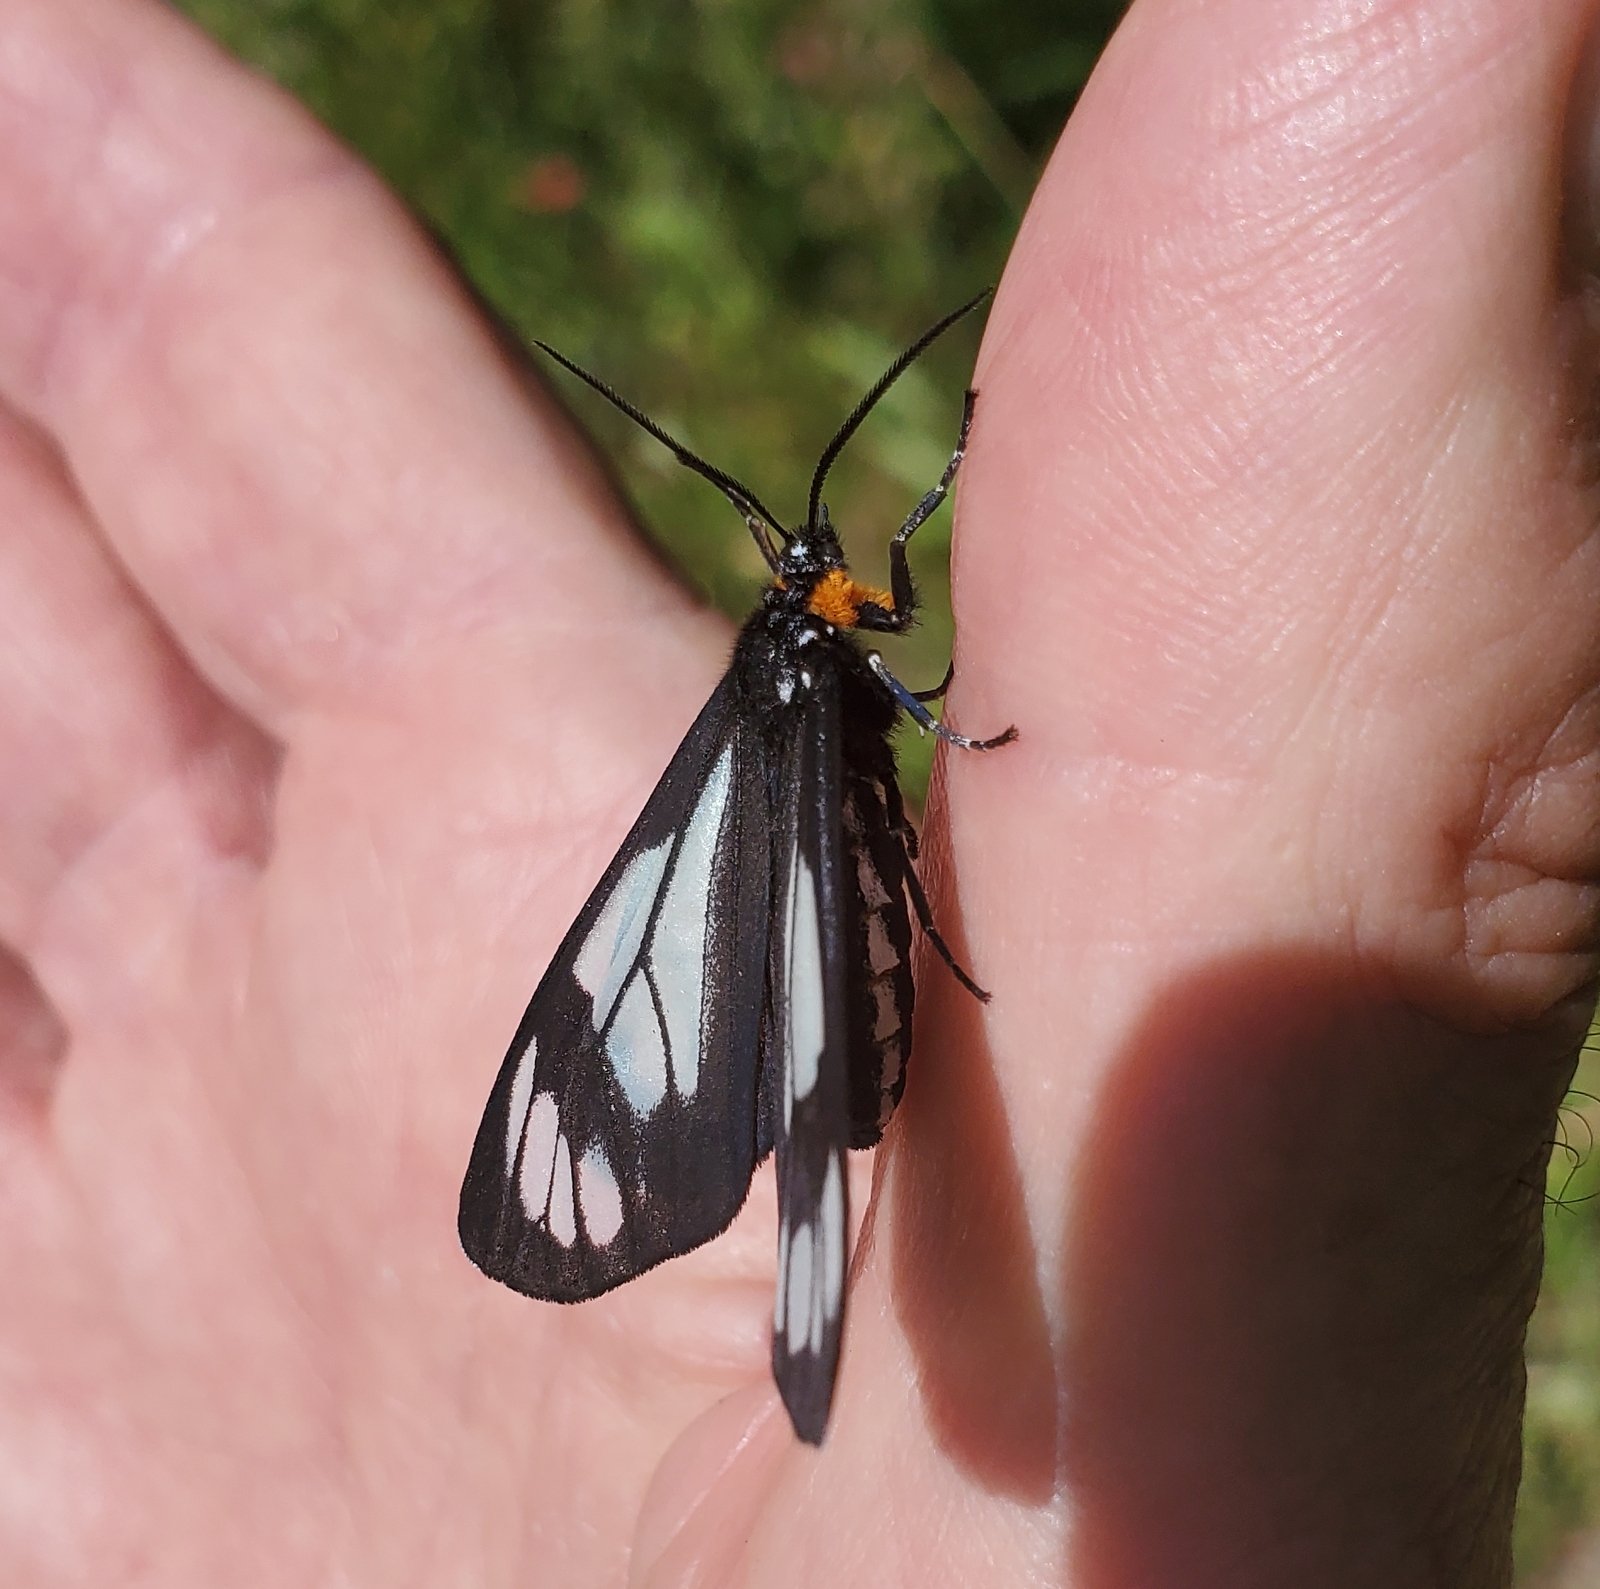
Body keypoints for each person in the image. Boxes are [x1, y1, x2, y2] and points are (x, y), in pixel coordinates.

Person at [0, 0, 1593, 1583]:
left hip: (851, 996)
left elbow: (873, 640)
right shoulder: (789, 675)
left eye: (827, 570)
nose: (832, 585)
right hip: (842, 999)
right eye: (815, 577)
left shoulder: (809, 646)